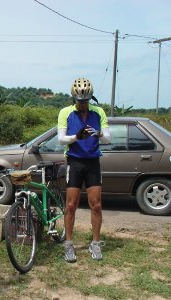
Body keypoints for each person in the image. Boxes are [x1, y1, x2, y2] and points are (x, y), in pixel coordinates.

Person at [57, 77, 111, 262]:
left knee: (96, 204)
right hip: (74, 162)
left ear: (90, 98)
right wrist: (76, 137)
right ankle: (69, 245)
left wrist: (100, 134)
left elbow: (108, 139)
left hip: (93, 162)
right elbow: (61, 139)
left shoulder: (98, 112)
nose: (83, 104)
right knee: (70, 205)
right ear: (74, 99)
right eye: (80, 101)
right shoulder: (66, 112)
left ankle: (95, 243)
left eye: (86, 101)